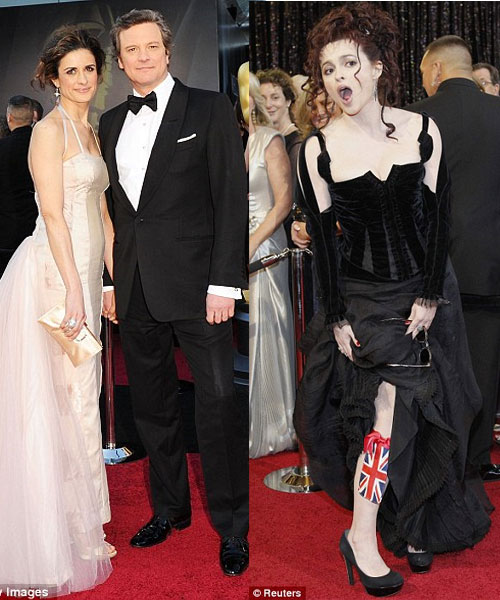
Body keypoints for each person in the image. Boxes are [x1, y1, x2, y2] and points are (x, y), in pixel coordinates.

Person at [293, 4, 491, 596]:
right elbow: (324, 246)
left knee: (431, 414)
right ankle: (361, 535)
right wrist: (334, 316)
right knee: (384, 411)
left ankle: (414, 521)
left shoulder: (421, 130)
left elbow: (440, 219)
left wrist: (429, 295)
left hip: (427, 293)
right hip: (364, 300)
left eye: (349, 63)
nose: (339, 77)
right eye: (328, 68)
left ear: (378, 66)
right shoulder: (317, 150)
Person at [98, 9, 249, 576]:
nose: (141, 56)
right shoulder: (110, 122)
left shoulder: (208, 108)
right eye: (130, 49)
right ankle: (169, 509)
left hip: (200, 288)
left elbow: (230, 198)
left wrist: (224, 283)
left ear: (167, 50)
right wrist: (110, 281)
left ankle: (232, 527)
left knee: (218, 404)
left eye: (150, 46)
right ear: (120, 60)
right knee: (154, 406)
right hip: (135, 287)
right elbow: (111, 213)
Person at [0, 26, 115, 595]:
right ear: (52, 78)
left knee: (80, 398)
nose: (82, 78)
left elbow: (103, 214)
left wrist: (110, 281)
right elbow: (52, 215)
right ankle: (72, 532)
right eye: (71, 71)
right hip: (55, 276)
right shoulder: (46, 132)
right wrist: (74, 290)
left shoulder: (91, 129)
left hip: (86, 276)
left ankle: (83, 521)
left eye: (89, 68)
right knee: (70, 400)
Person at [408, 36, 500, 482]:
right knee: (485, 366)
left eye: (424, 74)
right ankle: (476, 459)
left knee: (434, 368)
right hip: (492, 266)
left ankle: (436, 461)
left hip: (431, 268)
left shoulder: (415, 119)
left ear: (437, 70)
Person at [249, 72, 296, 458]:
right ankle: (252, 422)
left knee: (268, 331)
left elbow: (283, 203)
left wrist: (251, 241)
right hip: (237, 248)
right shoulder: (236, 139)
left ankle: (277, 426)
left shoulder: (270, 139)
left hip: (266, 247)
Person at [0, 96, 37, 276]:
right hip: (36, 228)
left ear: (9, 118)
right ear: (33, 117)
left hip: (5, 231)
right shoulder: (41, 146)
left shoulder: (2, 148)